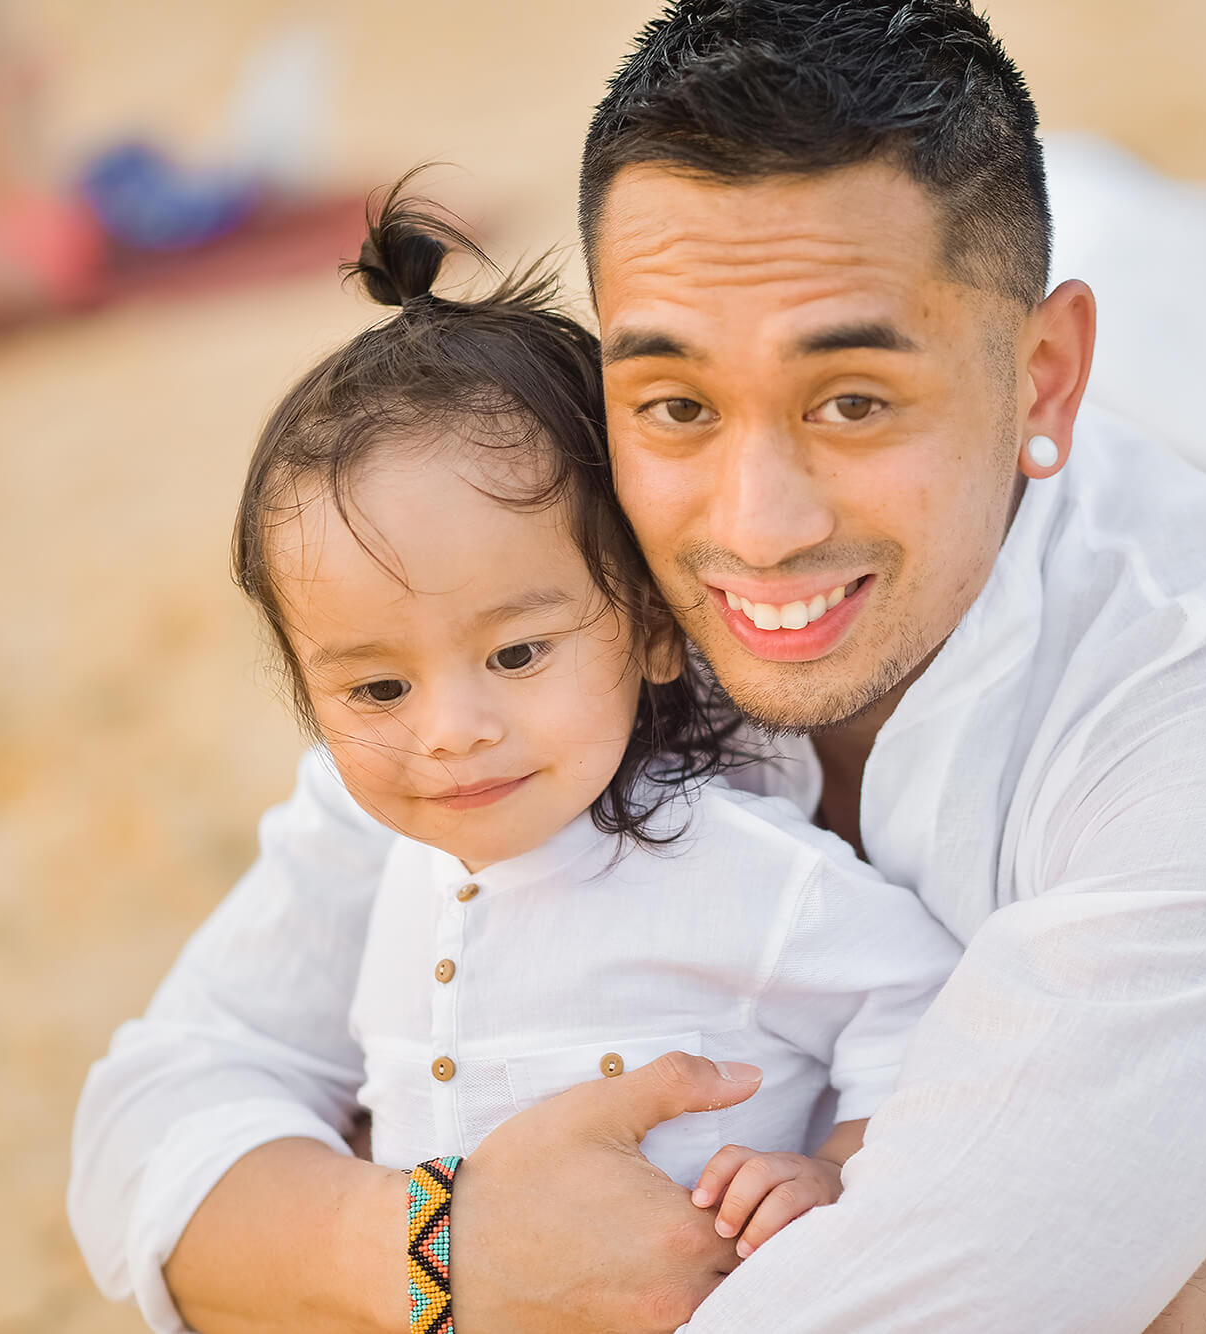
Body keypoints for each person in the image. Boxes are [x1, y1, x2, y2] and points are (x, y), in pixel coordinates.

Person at [70, 4, 1206, 1332]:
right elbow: (165, 1100)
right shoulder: (546, 616)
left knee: (1172, 1298)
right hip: (789, 1227)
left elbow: (959, 1289)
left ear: (1041, 372)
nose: (753, 526)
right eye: (678, 402)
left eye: (852, 399)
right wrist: (430, 1243)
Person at [224, 182, 959, 1304]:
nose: (450, 730)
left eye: (517, 655)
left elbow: (918, 999)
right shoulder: (395, 875)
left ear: (653, 629)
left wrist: (833, 1167)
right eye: (376, 684)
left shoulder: (735, 867)